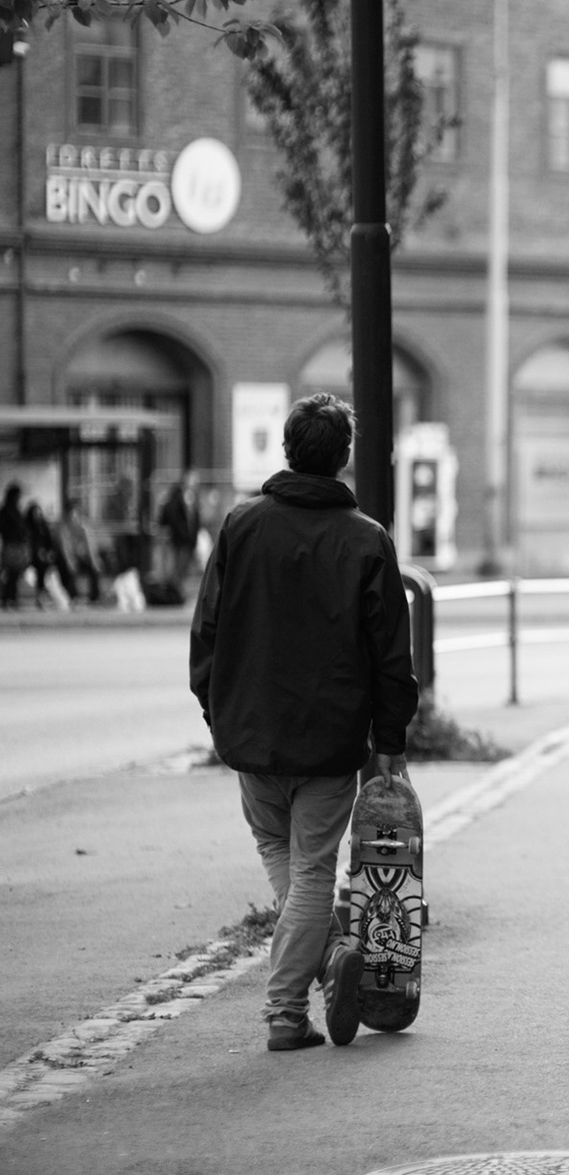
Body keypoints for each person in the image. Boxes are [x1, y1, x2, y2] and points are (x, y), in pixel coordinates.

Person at [189, 393, 418, 1053]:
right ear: (343, 456)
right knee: (313, 870)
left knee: (280, 854)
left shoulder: (241, 525)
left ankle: (330, 963)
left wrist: (218, 711)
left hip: (251, 735)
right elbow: (391, 653)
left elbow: (207, 630)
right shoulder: (367, 538)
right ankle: (287, 1011)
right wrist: (390, 740)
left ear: (287, 449)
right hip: (329, 739)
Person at [55, 501, 102, 606]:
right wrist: (70, 562)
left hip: (83, 557)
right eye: (72, 515)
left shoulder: (84, 527)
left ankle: (94, 597)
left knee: (94, 568)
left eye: (76, 515)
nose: (74, 518)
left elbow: (91, 546)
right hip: (70, 558)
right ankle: (73, 596)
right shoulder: (65, 529)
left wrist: (95, 561)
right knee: (68, 569)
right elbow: (66, 549)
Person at [158, 472, 200, 589]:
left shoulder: (192, 498)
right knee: (176, 567)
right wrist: (183, 533)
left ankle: (177, 589)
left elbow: (195, 519)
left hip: (188, 539)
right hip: (179, 539)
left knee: (182, 567)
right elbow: (173, 518)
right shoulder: (177, 498)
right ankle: (174, 590)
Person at [1, 483, 29, 610]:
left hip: (17, 546)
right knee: (11, 572)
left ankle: (11, 597)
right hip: (11, 546)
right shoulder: (6, 511)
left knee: (15, 573)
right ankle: (8, 597)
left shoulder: (16, 510)